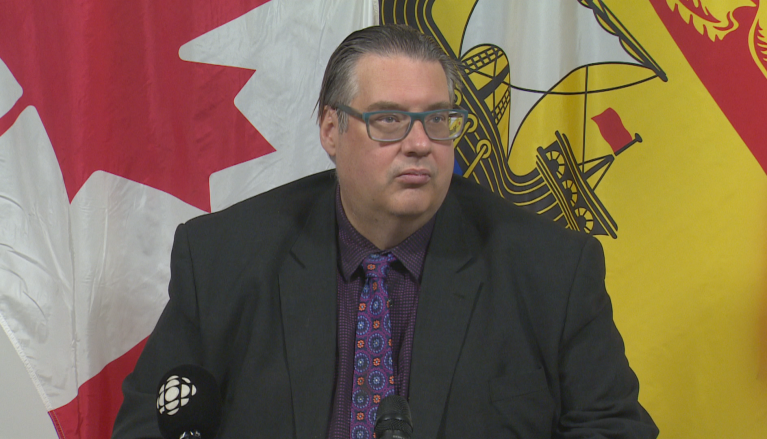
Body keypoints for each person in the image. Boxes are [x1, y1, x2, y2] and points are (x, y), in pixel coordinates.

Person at [112, 24, 658, 439]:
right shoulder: (223, 259)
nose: (420, 143)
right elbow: (149, 421)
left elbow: (612, 427)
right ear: (331, 129)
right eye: (390, 120)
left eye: (438, 119)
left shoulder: (551, 268)